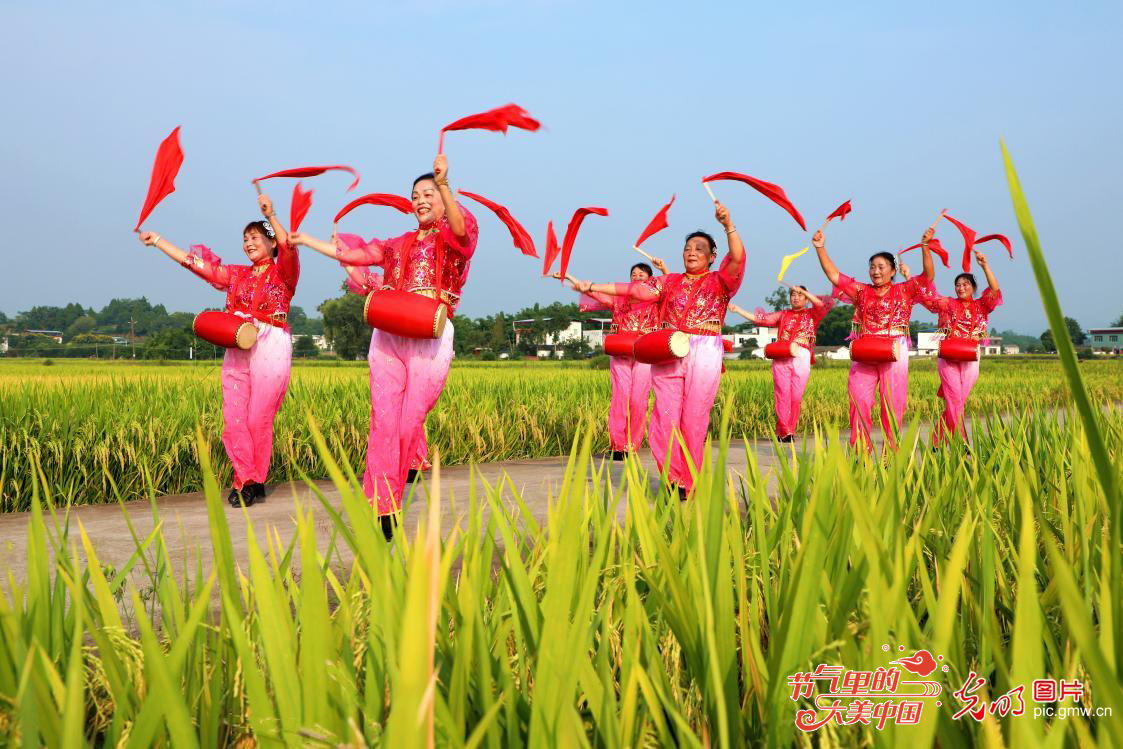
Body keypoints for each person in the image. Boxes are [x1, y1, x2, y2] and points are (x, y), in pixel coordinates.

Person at [291, 154, 478, 539]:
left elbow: (459, 230)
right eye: (415, 195)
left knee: (410, 422)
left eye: (429, 193)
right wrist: (305, 240)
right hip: (389, 335)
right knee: (383, 422)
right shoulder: (399, 243)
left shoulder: (456, 234)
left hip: (431, 332)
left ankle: (392, 489)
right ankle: (383, 505)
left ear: (444, 199)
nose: (421, 200)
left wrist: (444, 183)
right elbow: (356, 255)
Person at [568, 201, 745, 498]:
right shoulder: (669, 281)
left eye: (700, 248)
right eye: (688, 247)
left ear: (713, 257)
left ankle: (687, 480)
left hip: (703, 349)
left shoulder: (722, 281)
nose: (692, 252)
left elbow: (737, 257)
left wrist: (728, 225)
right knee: (664, 418)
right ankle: (671, 477)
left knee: (694, 419)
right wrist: (591, 287)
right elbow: (637, 290)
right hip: (669, 348)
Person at [138, 194, 298, 507]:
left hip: (271, 344)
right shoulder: (236, 275)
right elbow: (193, 264)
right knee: (234, 419)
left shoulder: (284, 273)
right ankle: (247, 480)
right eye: (245, 238)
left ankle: (253, 479)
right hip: (237, 343)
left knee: (258, 419)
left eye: (255, 237)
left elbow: (289, 247)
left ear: (271, 243)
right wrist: (158, 240)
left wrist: (272, 215)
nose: (248, 243)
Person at [813, 225, 935, 450]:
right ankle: (861, 450)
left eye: (881, 267)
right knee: (858, 400)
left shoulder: (905, 290)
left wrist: (925, 247)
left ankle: (892, 450)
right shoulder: (861, 291)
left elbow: (928, 276)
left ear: (892, 271)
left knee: (892, 404)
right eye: (872, 267)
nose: (875, 271)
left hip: (894, 349)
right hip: (865, 349)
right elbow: (834, 275)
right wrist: (820, 248)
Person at [557, 263, 661, 459]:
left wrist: (664, 269)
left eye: (642, 274)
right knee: (620, 397)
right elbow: (593, 291)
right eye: (634, 274)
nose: (637, 276)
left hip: (644, 352)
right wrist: (570, 277)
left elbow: (673, 287)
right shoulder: (618, 298)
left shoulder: (656, 298)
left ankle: (632, 445)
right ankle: (618, 446)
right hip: (621, 350)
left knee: (639, 400)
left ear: (650, 278)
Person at [908, 249, 1002, 446]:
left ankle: (936, 439)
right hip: (948, 357)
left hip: (971, 358)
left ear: (973, 288)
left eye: (965, 284)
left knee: (957, 402)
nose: (960, 288)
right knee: (954, 400)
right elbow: (927, 297)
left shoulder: (981, 305)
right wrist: (909, 277)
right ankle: (962, 441)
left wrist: (985, 265)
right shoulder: (947, 303)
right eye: (957, 285)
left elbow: (994, 291)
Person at [728, 282, 834, 442]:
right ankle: (785, 431)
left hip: (801, 354)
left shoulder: (813, 314)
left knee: (796, 396)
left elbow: (824, 304)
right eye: (793, 295)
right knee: (782, 394)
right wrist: (739, 310)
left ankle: (786, 428)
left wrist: (806, 292)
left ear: (806, 299)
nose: (796, 297)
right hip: (781, 355)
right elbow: (761, 319)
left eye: (800, 295)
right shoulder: (783, 314)